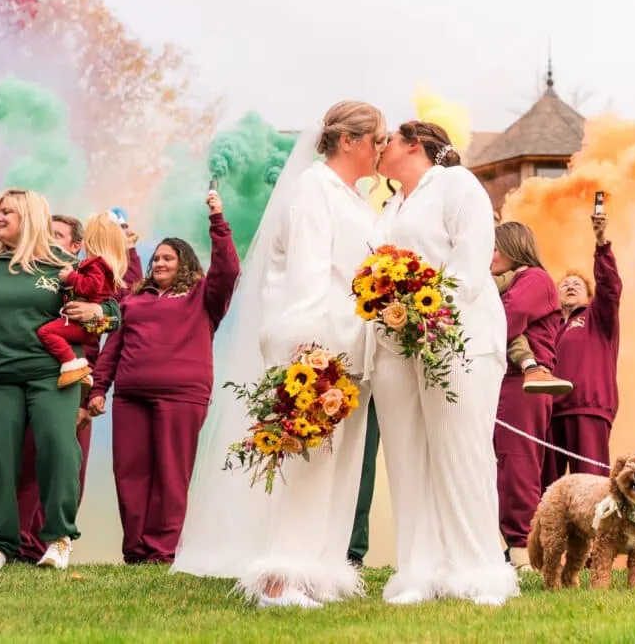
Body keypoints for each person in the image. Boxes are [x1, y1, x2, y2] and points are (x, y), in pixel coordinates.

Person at [172, 102, 384, 607]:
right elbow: (308, 273)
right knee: (306, 465)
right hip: (318, 346)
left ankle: (316, 571)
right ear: (349, 141)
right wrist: (309, 352)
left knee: (336, 468)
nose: (382, 147)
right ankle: (279, 578)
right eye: (377, 137)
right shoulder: (314, 189)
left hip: (353, 346)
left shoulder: (355, 199)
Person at [0, 146, 141, 564]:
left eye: (6, 213)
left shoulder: (61, 266)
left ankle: (59, 540)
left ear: (27, 219)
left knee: (58, 449)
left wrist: (96, 311)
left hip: (52, 375)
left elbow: (115, 310)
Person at [371, 120, 516, 606]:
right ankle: (418, 571)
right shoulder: (391, 204)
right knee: (407, 458)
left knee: (461, 452)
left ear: (415, 144)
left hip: (457, 337)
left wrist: (428, 313)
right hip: (395, 344)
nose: (379, 146)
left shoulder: (457, 185)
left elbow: (470, 260)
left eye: (387, 139)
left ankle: (478, 571)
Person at [86, 191, 240, 565]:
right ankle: (136, 550)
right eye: (155, 258)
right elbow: (113, 346)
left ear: (185, 262)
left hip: (181, 397)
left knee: (171, 475)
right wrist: (99, 389)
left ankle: (162, 550)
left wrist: (218, 222)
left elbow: (229, 270)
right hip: (130, 397)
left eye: (167, 257)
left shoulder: (204, 298)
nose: (159, 263)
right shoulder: (134, 301)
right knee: (130, 474)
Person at [490, 221, 561, 571]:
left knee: (516, 462)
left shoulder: (535, 279)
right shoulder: (511, 282)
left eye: (494, 248)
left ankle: (523, 549)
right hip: (506, 379)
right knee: (502, 464)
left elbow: (504, 319)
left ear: (513, 248)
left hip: (524, 382)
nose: (488, 256)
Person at [542, 207, 622, 484]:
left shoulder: (597, 318)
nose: (571, 286)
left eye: (578, 284)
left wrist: (601, 243)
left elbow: (609, 286)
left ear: (589, 296)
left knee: (590, 486)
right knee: (544, 490)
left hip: (588, 408)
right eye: (565, 284)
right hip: (549, 414)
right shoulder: (547, 327)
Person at [42, 214, 129, 387]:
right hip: (28, 362)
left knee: (47, 332)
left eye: (57, 235)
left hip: (63, 363)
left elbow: (115, 313)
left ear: (77, 246)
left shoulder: (82, 267)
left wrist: (98, 311)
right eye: (45, 235)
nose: (49, 241)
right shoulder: (26, 264)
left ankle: (74, 366)